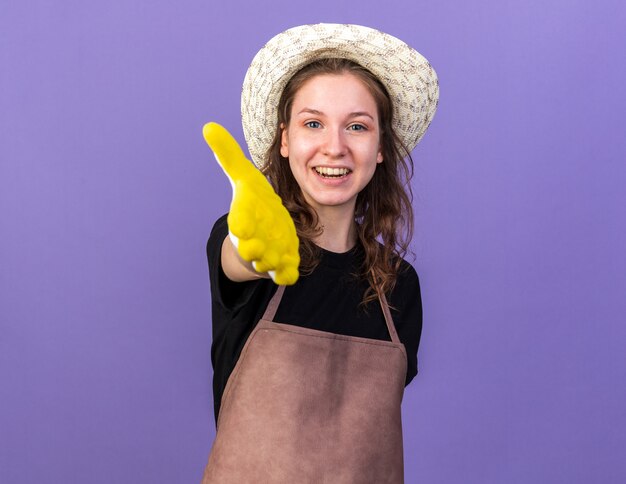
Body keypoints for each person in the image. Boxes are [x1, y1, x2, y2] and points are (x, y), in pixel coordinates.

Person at [201, 23, 438, 483]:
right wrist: (249, 242)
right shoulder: (253, 250)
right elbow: (241, 258)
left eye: (357, 126)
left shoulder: (400, 286)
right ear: (285, 140)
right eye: (313, 123)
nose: (335, 146)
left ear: (381, 147)